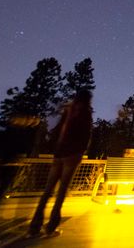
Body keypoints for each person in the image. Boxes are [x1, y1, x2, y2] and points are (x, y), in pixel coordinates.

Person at [28, 90, 93, 237]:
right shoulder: (85, 113)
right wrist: (80, 151)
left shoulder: (68, 111)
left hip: (59, 155)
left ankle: (34, 226)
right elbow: (86, 135)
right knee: (61, 192)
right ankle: (51, 227)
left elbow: (57, 130)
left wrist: (56, 149)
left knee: (47, 191)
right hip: (71, 156)